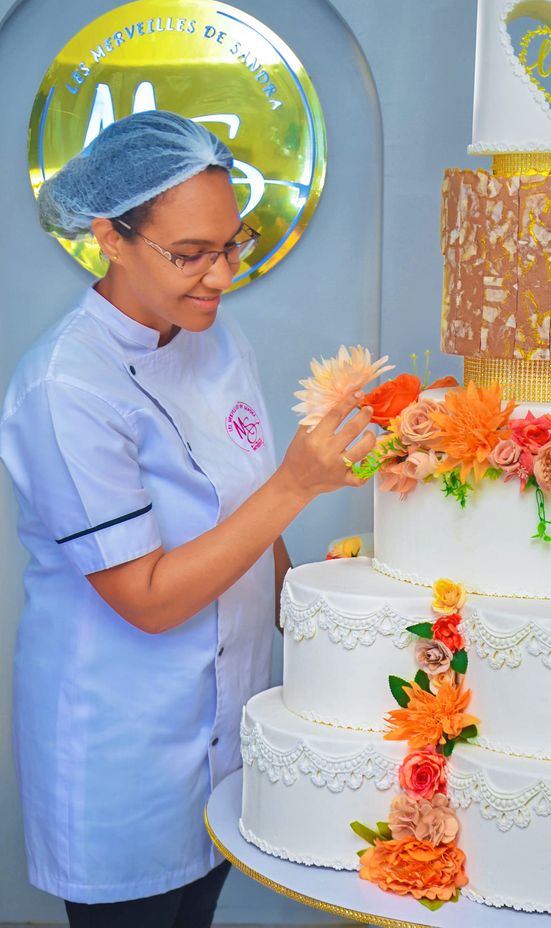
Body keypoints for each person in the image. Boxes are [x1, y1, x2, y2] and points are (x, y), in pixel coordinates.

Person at [0, 110, 376, 928]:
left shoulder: (214, 335)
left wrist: (312, 641)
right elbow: (148, 597)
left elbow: (247, 510)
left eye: (231, 245)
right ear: (110, 236)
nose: (220, 276)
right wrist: (297, 483)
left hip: (223, 723)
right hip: (122, 750)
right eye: (190, 255)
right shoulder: (67, 387)